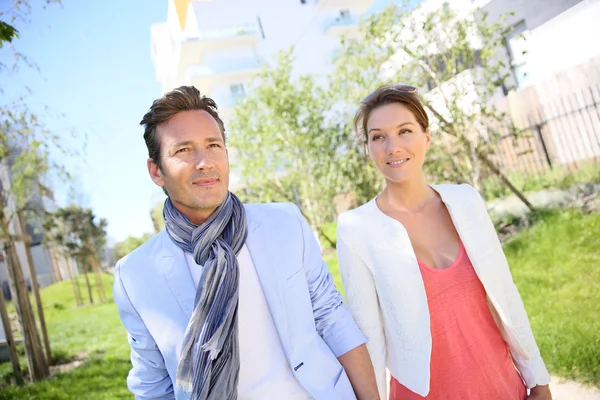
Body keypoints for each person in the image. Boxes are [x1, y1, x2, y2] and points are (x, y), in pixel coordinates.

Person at [113, 86, 379, 400]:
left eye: (213, 145)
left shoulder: (285, 223)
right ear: (156, 171)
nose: (204, 161)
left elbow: (332, 318)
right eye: (183, 150)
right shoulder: (135, 275)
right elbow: (153, 386)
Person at [336, 84, 553, 400]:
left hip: (502, 384)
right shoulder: (356, 228)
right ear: (367, 148)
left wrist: (539, 379)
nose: (392, 146)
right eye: (378, 136)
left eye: (405, 131)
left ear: (427, 137)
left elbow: (505, 292)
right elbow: (369, 336)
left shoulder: (466, 200)